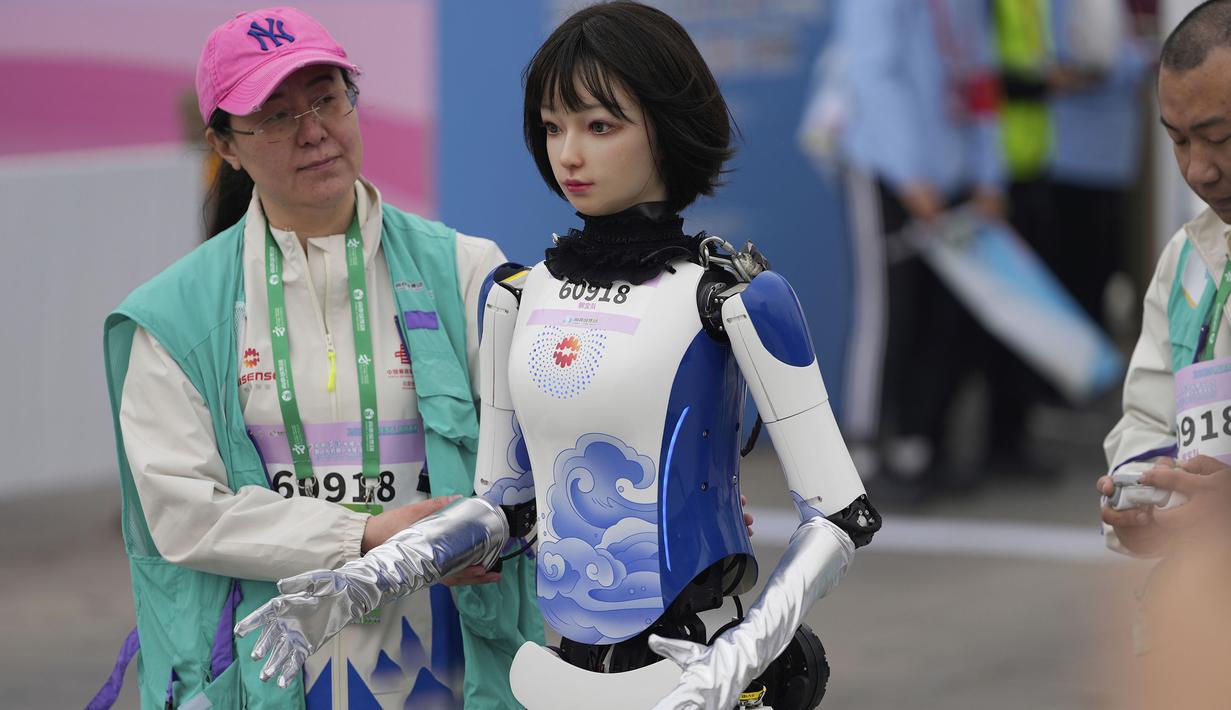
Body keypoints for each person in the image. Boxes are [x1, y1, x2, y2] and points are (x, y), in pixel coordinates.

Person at [233, 2, 881, 709]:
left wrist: (735, 661)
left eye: (599, 126)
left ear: (667, 127)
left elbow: (840, 517)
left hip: (694, 659)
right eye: (551, 126)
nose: (567, 154)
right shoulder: (518, 294)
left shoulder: (733, 298)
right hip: (558, 668)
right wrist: (363, 581)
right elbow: (501, 508)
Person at [98, 7, 539, 709]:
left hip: (452, 662)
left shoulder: (466, 270)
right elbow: (184, 513)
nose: (313, 131)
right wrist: (362, 536)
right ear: (225, 145)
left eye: (327, 98)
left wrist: (474, 536)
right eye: (275, 116)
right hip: (269, 671)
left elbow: (537, 454)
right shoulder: (174, 316)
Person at [831, 0, 1008, 496]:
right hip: (885, 169)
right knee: (889, 310)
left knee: (941, 314)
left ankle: (915, 448)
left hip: (952, 175)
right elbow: (872, 75)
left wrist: (988, 174)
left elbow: (980, 77)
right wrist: (910, 175)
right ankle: (863, 454)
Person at [1100, 0, 1231, 570]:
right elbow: (1149, 418)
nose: (1199, 170)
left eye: (1219, 137)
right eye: (1179, 141)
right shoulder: (1188, 259)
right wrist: (1140, 498)